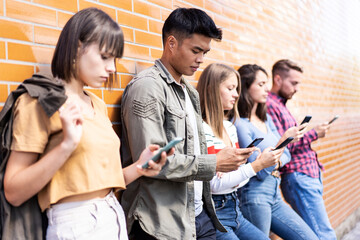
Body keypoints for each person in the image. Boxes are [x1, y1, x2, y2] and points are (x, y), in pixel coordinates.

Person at [3, 8, 172, 240]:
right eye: (104, 56)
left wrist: (140, 166)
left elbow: (99, 183)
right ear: (76, 49)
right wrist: (66, 146)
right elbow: (13, 191)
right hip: (75, 226)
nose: (112, 68)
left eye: (114, 59)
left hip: (113, 215)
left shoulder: (97, 104)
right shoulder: (39, 102)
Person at [120, 8, 255, 240]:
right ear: (171, 43)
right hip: (160, 223)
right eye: (196, 50)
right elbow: (152, 163)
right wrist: (214, 163)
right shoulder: (147, 88)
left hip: (198, 215)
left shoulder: (189, 92)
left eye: (205, 52)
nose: (201, 59)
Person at [197, 63, 282, 240]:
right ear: (212, 89)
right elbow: (214, 186)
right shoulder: (202, 130)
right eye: (230, 88)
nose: (236, 94)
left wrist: (235, 172)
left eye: (237, 88)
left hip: (235, 210)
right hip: (216, 216)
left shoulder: (229, 127)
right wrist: (256, 165)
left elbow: (236, 180)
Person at [234, 64, 319, 240]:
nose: (267, 88)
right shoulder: (241, 124)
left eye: (266, 83)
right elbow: (260, 171)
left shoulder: (266, 118)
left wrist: (274, 159)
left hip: (274, 193)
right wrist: (282, 143)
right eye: (261, 84)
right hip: (255, 196)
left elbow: (286, 156)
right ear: (245, 87)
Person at [267, 59, 336, 240]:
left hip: (308, 173)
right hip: (298, 175)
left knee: (317, 232)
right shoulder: (270, 105)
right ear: (278, 79)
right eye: (294, 83)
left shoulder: (281, 105)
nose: (297, 88)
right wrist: (314, 133)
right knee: (324, 234)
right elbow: (282, 146)